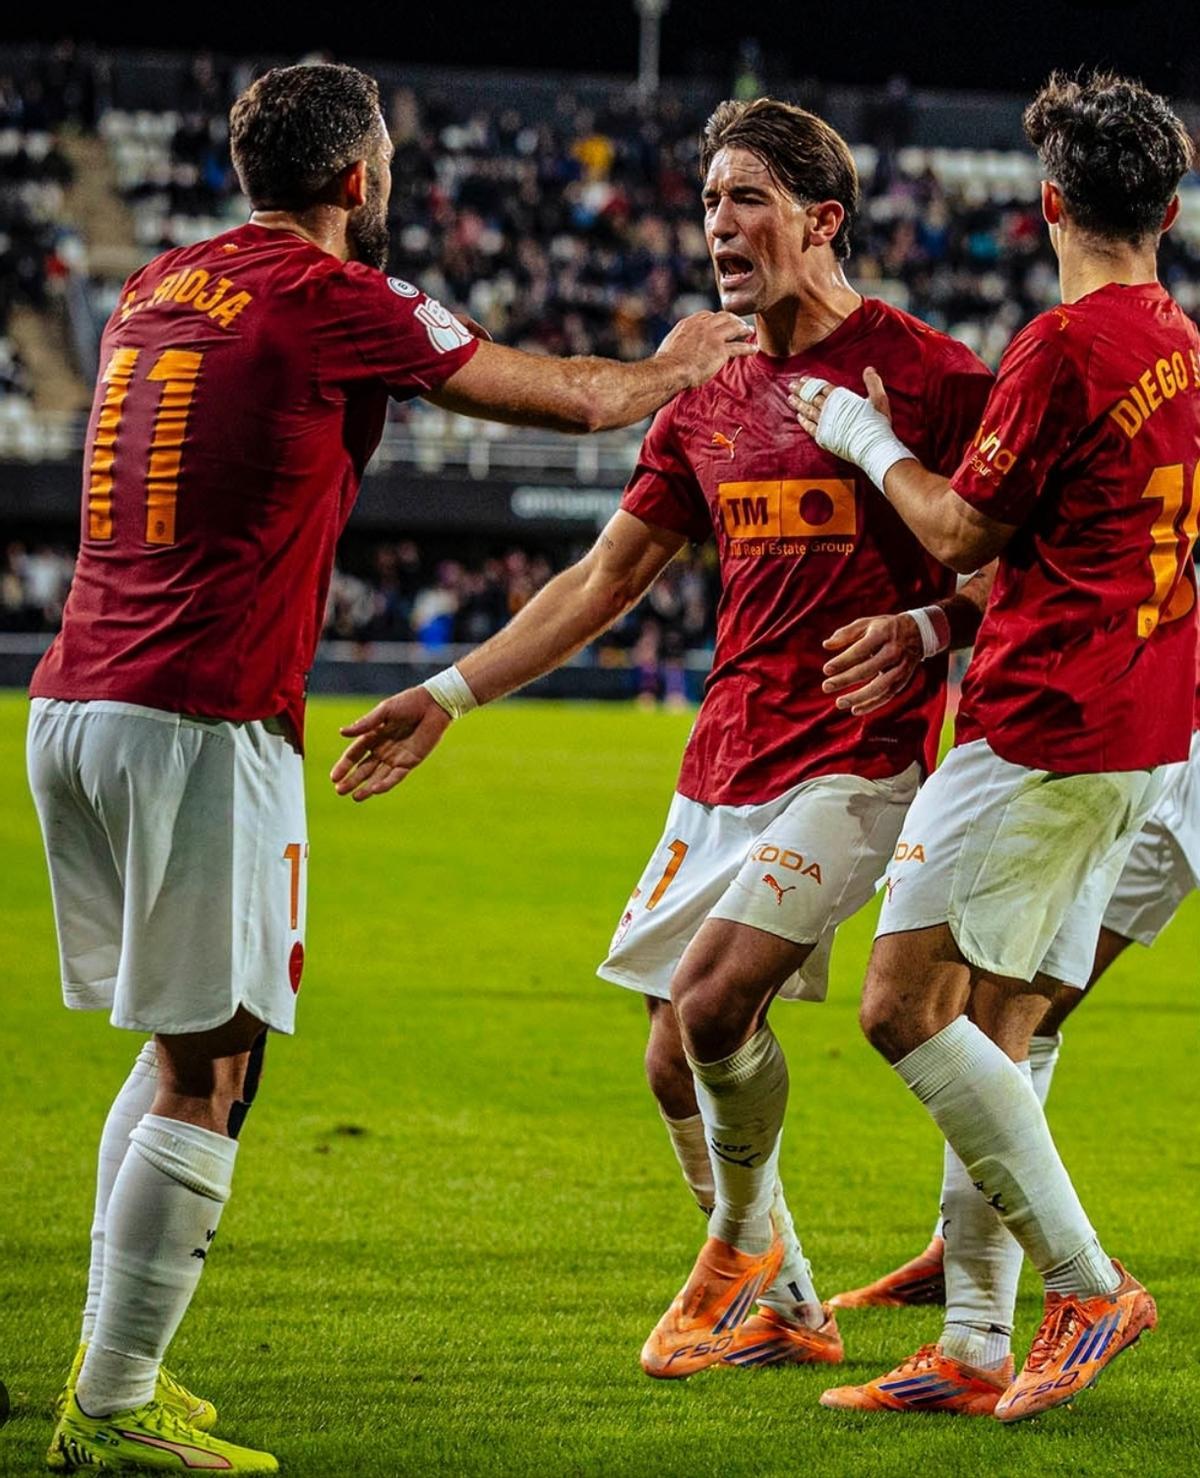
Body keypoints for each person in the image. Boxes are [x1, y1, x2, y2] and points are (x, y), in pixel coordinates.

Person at [31, 61, 753, 1474]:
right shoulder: (330, 296)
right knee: (215, 1064)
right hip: (199, 708)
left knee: (186, 1042)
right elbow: (561, 396)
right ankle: (109, 1407)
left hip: (77, 696)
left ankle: (109, 1377)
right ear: (359, 177)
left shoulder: (164, 280)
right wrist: (677, 366)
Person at [330, 96, 993, 1379]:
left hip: (860, 758)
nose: (719, 225)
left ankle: (741, 1255)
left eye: (747, 197)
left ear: (823, 219)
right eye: (707, 201)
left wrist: (927, 630)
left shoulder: (929, 375)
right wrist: (448, 695)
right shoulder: (706, 398)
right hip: (727, 752)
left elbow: (1009, 561)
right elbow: (602, 579)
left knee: (710, 996)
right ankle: (790, 1299)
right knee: (669, 1057)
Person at [792, 70, 1198, 1421]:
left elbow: (964, 527)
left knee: (903, 1007)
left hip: (1042, 725)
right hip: (1139, 726)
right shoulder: (1184, 344)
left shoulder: (1069, 345)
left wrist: (857, 431)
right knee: (1004, 1031)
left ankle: (1088, 1285)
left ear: (1050, 205)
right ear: (1172, 204)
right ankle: (972, 1343)